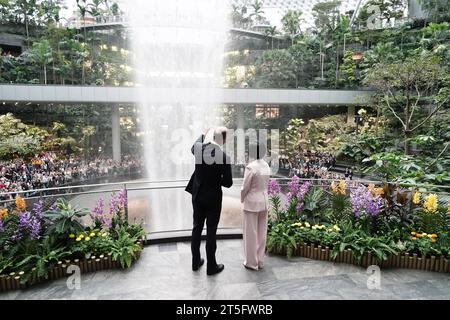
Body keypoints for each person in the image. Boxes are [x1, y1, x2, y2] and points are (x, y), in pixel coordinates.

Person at [186, 127, 233, 276]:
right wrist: (216, 179)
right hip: (213, 199)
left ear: (211, 136)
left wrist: (202, 134)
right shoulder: (224, 157)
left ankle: (195, 262)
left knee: (196, 228)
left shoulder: (199, 149)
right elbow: (228, 183)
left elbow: (193, 147)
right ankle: (211, 266)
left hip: (198, 196)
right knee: (211, 231)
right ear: (223, 140)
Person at [240, 141, 271, 271]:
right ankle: (260, 260)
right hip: (264, 201)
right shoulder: (266, 166)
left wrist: (242, 199)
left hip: (252, 202)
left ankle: (251, 262)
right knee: (262, 233)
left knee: (250, 233)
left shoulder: (250, 167)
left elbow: (245, 187)